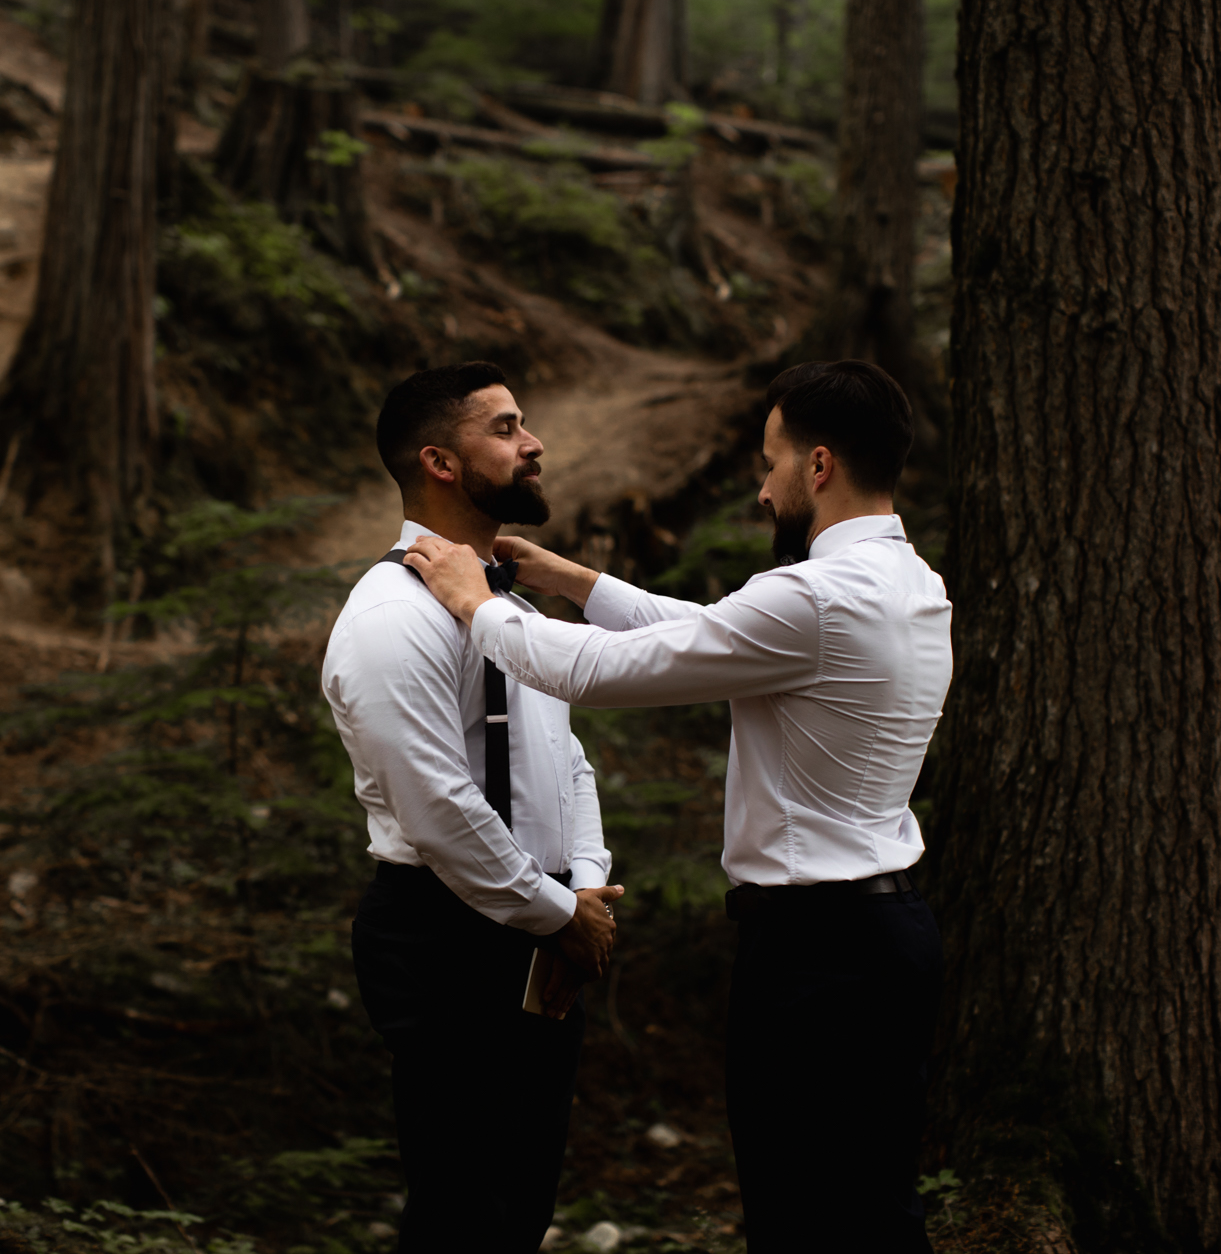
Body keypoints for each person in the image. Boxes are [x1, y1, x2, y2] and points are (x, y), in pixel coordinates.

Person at [404, 359, 951, 1252]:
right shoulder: (905, 580)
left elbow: (592, 671)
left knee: (806, 1213)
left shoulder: (814, 596)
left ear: (818, 467)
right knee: (872, 1203)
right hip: (886, 940)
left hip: (819, 955)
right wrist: (577, 580)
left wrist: (476, 606)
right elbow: (717, 632)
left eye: (770, 462)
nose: (762, 485)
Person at [322, 361, 625, 1253]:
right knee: (462, 1213)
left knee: (522, 1205)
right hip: (444, 935)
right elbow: (438, 809)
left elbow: (567, 763)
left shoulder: (503, 606)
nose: (532, 444)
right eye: (504, 428)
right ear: (439, 463)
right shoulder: (389, 616)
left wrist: (588, 889)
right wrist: (557, 909)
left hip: (545, 928)